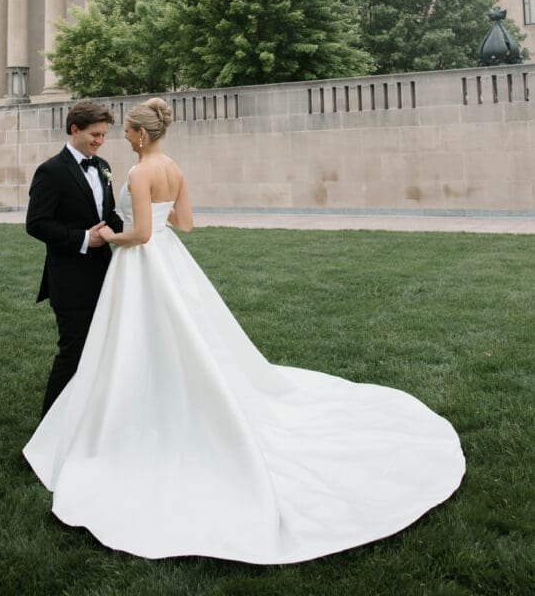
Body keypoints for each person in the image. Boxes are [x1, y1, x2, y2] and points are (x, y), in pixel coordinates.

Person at [24, 97, 465, 564]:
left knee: (136, 338)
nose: (114, 139)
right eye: (99, 134)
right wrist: (141, 220)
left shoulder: (134, 172)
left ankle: (119, 415)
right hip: (167, 264)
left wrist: (112, 235)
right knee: (151, 339)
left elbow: (142, 233)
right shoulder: (169, 167)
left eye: (123, 132)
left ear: (140, 134)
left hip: (139, 261)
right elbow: (184, 223)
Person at [25, 99, 123, 417]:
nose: (99, 141)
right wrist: (83, 239)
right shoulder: (51, 171)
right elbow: (36, 223)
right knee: (73, 351)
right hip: (68, 279)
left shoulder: (104, 166)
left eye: (103, 135)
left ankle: (87, 417)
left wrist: (135, 231)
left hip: (103, 274)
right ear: (74, 129)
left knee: (100, 349)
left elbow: (107, 215)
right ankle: (48, 429)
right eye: (94, 134)